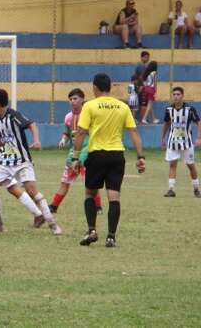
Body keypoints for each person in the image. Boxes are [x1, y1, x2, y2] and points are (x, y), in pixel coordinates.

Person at [72, 73, 146, 248]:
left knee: (90, 193)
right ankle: (111, 236)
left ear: (95, 87)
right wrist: (140, 156)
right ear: (110, 87)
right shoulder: (122, 106)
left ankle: (91, 230)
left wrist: (76, 157)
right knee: (114, 197)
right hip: (116, 156)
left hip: (97, 155)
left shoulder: (89, 106)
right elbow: (133, 132)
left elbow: (81, 133)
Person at [0, 89, 62, 235]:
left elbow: (31, 124)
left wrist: (37, 141)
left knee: (32, 191)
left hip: (22, 161)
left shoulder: (13, 115)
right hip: (5, 161)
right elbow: (2, 139)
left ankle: (52, 223)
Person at [49, 89, 102, 214]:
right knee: (65, 181)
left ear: (82, 99)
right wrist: (63, 140)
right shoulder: (68, 117)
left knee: (91, 183)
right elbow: (67, 133)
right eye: (71, 99)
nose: (72, 101)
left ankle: (98, 207)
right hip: (74, 153)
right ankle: (54, 206)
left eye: (75, 99)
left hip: (88, 152)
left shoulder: (89, 114)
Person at [161, 87, 201, 198]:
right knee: (172, 164)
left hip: (187, 143)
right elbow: (166, 124)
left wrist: (199, 138)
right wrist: (163, 139)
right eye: (174, 94)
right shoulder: (169, 110)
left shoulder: (190, 109)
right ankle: (171, 189)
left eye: (178, 94)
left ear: (182, 96)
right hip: (172, 142)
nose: (176, 96)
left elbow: (198, 122)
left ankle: (196, 189)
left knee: (190, 165)